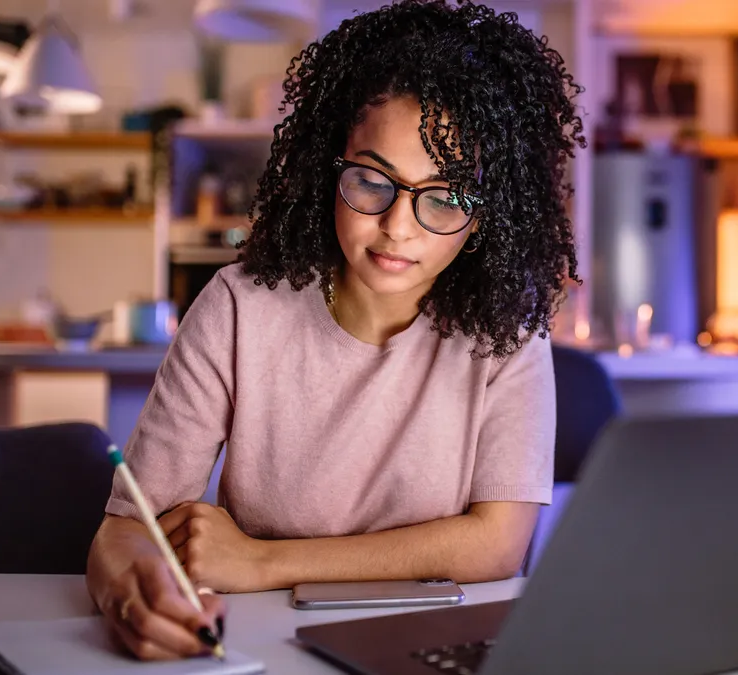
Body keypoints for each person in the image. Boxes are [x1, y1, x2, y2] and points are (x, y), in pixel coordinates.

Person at [84, 0, 584, 661]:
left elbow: (495, 545)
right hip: (261, 644)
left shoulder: (508, 332)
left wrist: (262, 562)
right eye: (373, 180)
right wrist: (133, 597)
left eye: (445, 196)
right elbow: (127, 530)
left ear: (488, 214)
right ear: (329, 164)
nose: (398, 225)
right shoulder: (240, 307)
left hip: (434, 642)